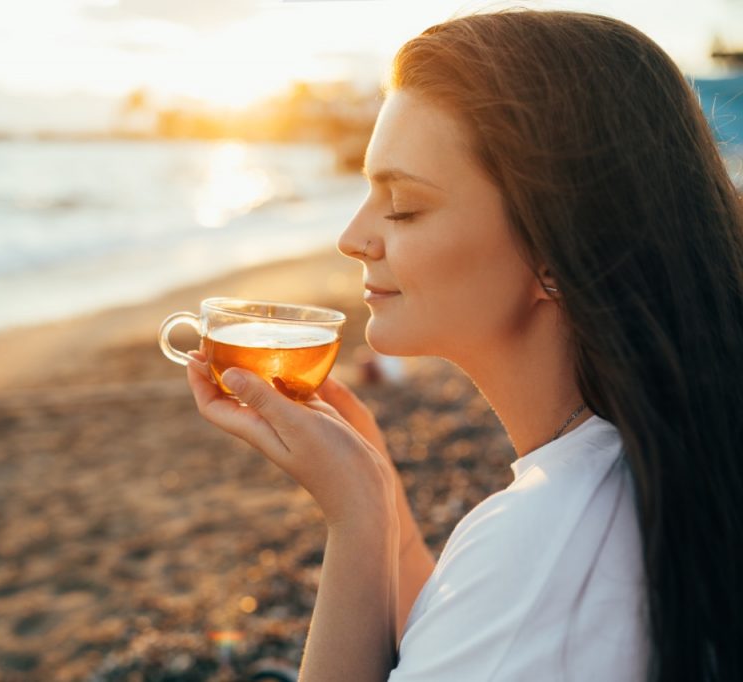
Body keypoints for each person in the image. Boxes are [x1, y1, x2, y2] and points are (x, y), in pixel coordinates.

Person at [184, 10, 742, 682]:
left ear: (555, 255)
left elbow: (513, 611)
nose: (353, 236)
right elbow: (464, 636)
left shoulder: (541, 544)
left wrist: (357, 526)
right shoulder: (657, 462)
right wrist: (379, 497)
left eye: (404, 206)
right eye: (367, 192)